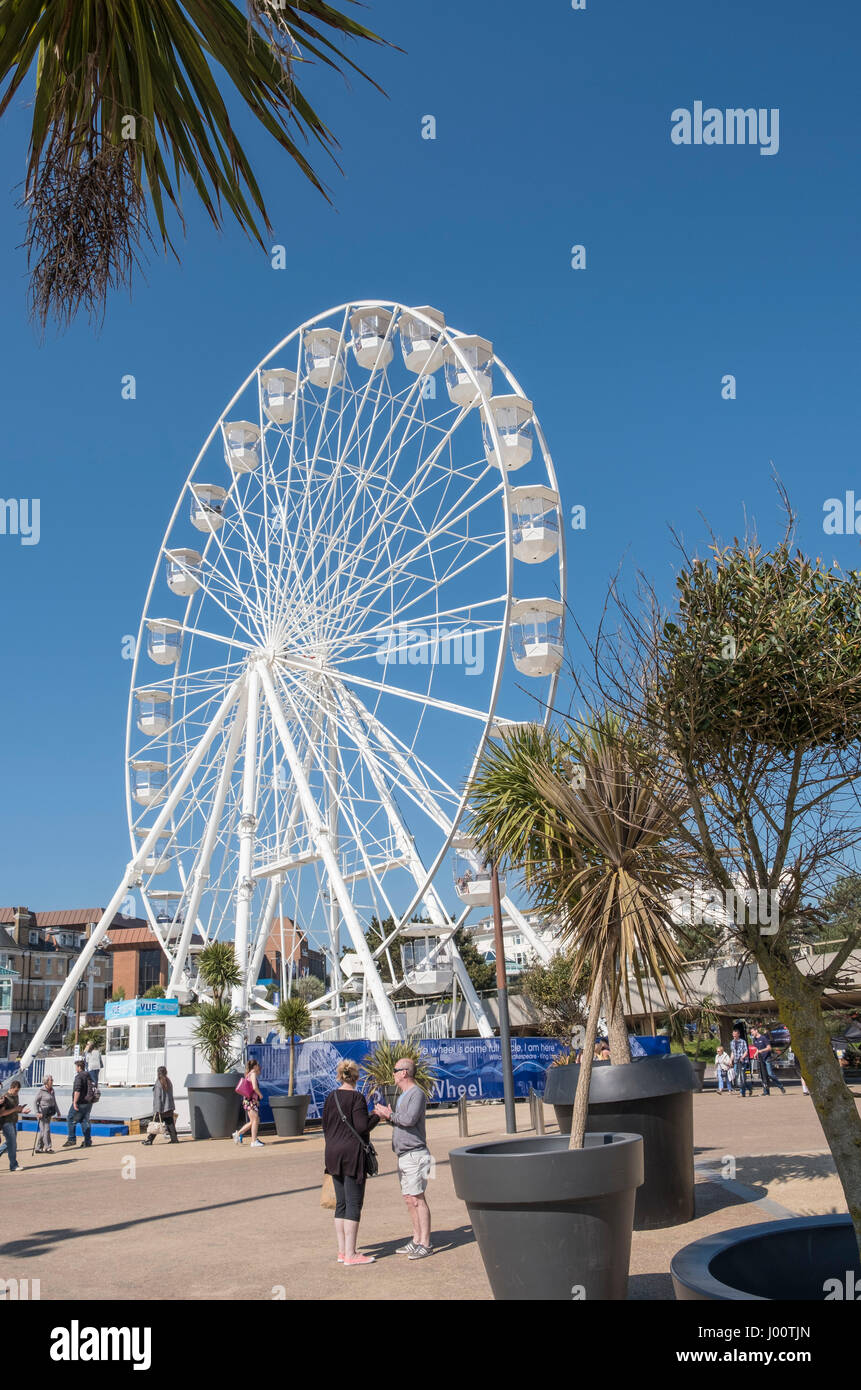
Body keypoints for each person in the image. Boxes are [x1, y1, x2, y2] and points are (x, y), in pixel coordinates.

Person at [322, 1059, 380, 1266]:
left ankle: (341, 1251)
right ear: (356, 1077)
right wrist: (377, 1116)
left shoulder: (331, 1097)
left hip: (333, 1153)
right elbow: (362, 1127)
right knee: (354, 1203)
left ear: (340, 1075)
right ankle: (351, 1254)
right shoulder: (357, 1097)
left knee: (341, 1203)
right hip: (352, 1154)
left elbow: (325, 1125)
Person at [374, 1058, 433, 1260]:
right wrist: (387, 1115)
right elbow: (402, 1123)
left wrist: (390, 1115)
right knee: (409, 1199)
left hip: (417, 1154)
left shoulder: (416, 1093)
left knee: (418, 1199)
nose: (392, 1073)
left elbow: (408, 1120)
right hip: (404, 1154)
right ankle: (416, 1239)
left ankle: (426, 1243)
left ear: (404, 1073)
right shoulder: (403, 1096)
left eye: (395, 1070)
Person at [62, 1059, 95, 1148]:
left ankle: (71, 1139)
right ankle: (87, 1141)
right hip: (89, 1102)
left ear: (79, 1067)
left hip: (80, 1102)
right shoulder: (89, 1075)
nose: (75, 1068)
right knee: (84, 1120)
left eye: (76, 1067)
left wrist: (75, 1102)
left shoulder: (79, 1077)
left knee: (70, 1118)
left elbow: (77, 1090)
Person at [142, 1066, 178, 1145]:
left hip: (161, 1108)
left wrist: (156, 1109)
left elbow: (158, 1097)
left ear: (158, 1073)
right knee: (170, 1123)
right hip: (169, 1107)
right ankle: (174, 1139)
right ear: (166, 1072)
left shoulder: (158, 1082)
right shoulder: (168, 1081)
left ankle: (149, 1140)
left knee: (155, 1124)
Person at [233, 1059, 264, 1147]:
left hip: (248, 1100)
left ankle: (238, 1134)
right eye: (257, 1064)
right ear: (254, 1066)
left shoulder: (248, 1074)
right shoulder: (253, 1074)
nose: (259, 1066)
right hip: (251, 1101)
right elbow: (254, 1087)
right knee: (255, 1120)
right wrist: (260, 1095)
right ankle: (253, 1141)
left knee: (254, 1120)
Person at [0, 1080, 30, 1171]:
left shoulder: (15, 1096)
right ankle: (13, 1165)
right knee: (12, 1144)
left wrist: (21, 1110)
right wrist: (15, 1109)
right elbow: (2, 1113)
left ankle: (13, 1165)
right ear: (11, 1088)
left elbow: (15, 1109)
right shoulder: (5, 1097)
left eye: (18, 1091)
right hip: (6, 1122)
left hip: (13, 1121)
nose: (17, 1092)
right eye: (16, 1090)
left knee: (10, 1143)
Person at [751, 1023, 786, 1096]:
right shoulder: (754, 1040)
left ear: (756, 1031)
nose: (751, 1033)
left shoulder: (763, 1038)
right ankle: (766, 1091)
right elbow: (758, 1049)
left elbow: (769, 1048)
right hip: (761, 1059)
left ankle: (780, 1086)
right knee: (763, 1075)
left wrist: (761, 1051)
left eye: (752, 1032)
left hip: (767, 1058)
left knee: (770, 1074)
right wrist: (755, 1054)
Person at [34, 1075, 60, 1152]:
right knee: (46, 1130)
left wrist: (58, 1111)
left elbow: (54, 1101)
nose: (52, 1081)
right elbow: (35, 1102)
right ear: (46, 1082)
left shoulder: (52, 1090)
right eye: (51, 1080)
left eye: (52, 1080)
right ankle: (48, 1147)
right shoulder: (41, 1091)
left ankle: (38, 1148)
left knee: (43, 1131)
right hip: (41, 1114)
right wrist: (37, 1112)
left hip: (48, 1113)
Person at [730, 1027, 751, 1096]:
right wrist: (731, 1060)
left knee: (742, 1076)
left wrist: (742, 1057)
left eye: (735, 1035)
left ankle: (742, 1093)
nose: (734, 1036)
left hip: (743, 1062)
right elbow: (732, 1052)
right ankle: (749, 1087)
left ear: (738, 1034)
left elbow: (746, 1051)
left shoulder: (743, 1042)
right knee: (736, 1076)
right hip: (736, 1062)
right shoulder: (732, 1042)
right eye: (733, 1035)